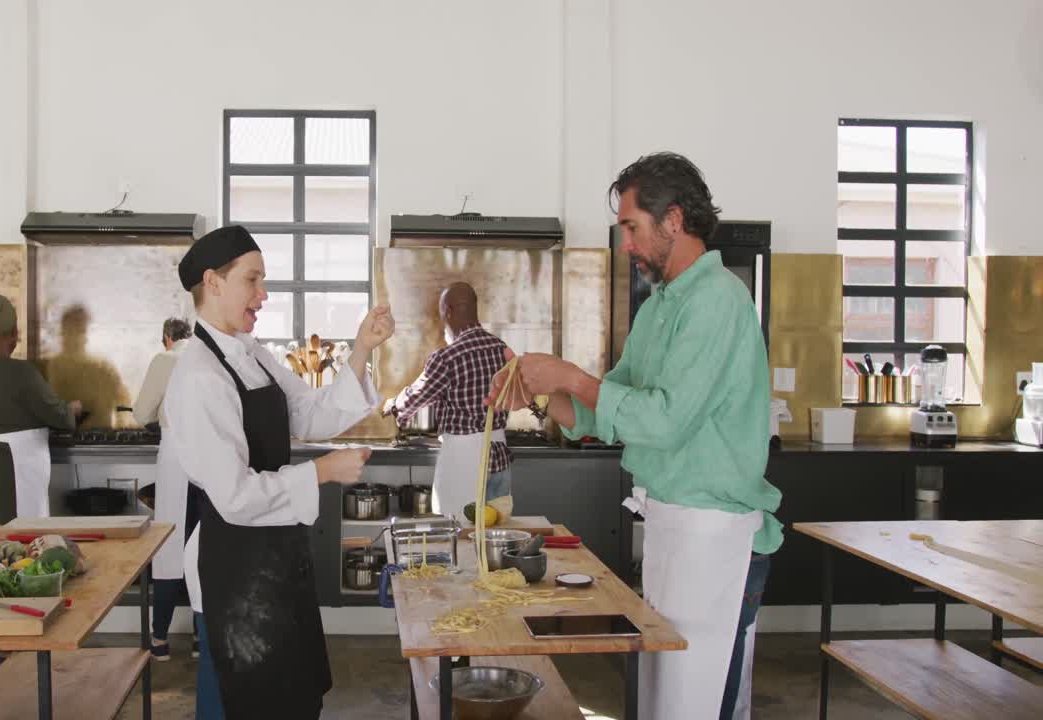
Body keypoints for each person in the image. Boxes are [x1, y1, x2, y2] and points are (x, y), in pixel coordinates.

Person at [488, 153, 782, 720]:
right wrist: (541, 389)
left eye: (632, 228)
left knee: (700, 700)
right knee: (663, 696)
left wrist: (572, 377)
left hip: (717, 536)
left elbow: (665, 420)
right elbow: (606, 413)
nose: (626, 244)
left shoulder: (718, 299)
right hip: (673, 529)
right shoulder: (659, 307)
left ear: (673, 220)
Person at [163, 225, 394, 719]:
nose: (264, 295)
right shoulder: (199, 376)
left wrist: (360, 350)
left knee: (288, 697)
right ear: (214, 281)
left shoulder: (252, 355)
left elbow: (310, 413)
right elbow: (235, 496)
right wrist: (321, 472)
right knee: (239, 701)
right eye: (254, 280)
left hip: (271, 557)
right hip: (231, 570)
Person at [0, 294, 83, 535]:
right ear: (13, 333)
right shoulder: (21, 372)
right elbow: (57, 415)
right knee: (18, 542)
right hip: (9, 469)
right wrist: (71, 409)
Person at [384, 282, 514, 514]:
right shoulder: (501, 348)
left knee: (460, 535)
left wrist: (394, 406)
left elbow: (416, 396)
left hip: (464, 463)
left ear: (449, 312)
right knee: (496, 531)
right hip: (499, 457)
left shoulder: (448, 357)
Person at [132, 316, 193, 662]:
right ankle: (202, 640)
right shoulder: (208, 358)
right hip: (211, 459)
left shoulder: (166, 359)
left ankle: (160, 638)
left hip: (176, 461)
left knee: (168, 547)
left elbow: (142, 412)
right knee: (203, 546)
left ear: (167, 338)